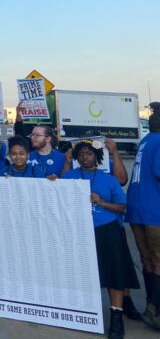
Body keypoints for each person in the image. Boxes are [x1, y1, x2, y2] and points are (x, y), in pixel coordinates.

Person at [64, 139, 139, 339]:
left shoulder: (109, 179)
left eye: (89, 153)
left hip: (106, 230)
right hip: (79, 231)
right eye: (81, 154)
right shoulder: (69, 176)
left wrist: (102, 202)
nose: (84, 157)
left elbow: (123, 208)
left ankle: (116, 316)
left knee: (114, 274)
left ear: (97, 157)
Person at [125, 107, 160, 329]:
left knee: (148, 260)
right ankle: (154, 311)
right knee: (158, 260)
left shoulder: (147, 140)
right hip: (154, 210)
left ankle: (151, 306)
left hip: (137, 208)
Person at [15, 103, 65, 177]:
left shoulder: (62, 158)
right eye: (32, 135)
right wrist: (19, 117)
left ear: (48, 139)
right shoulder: (26, 157)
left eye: (37, 135)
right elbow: (20, 137)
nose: (32, 137)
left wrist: (58, 180)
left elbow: (68, 179)